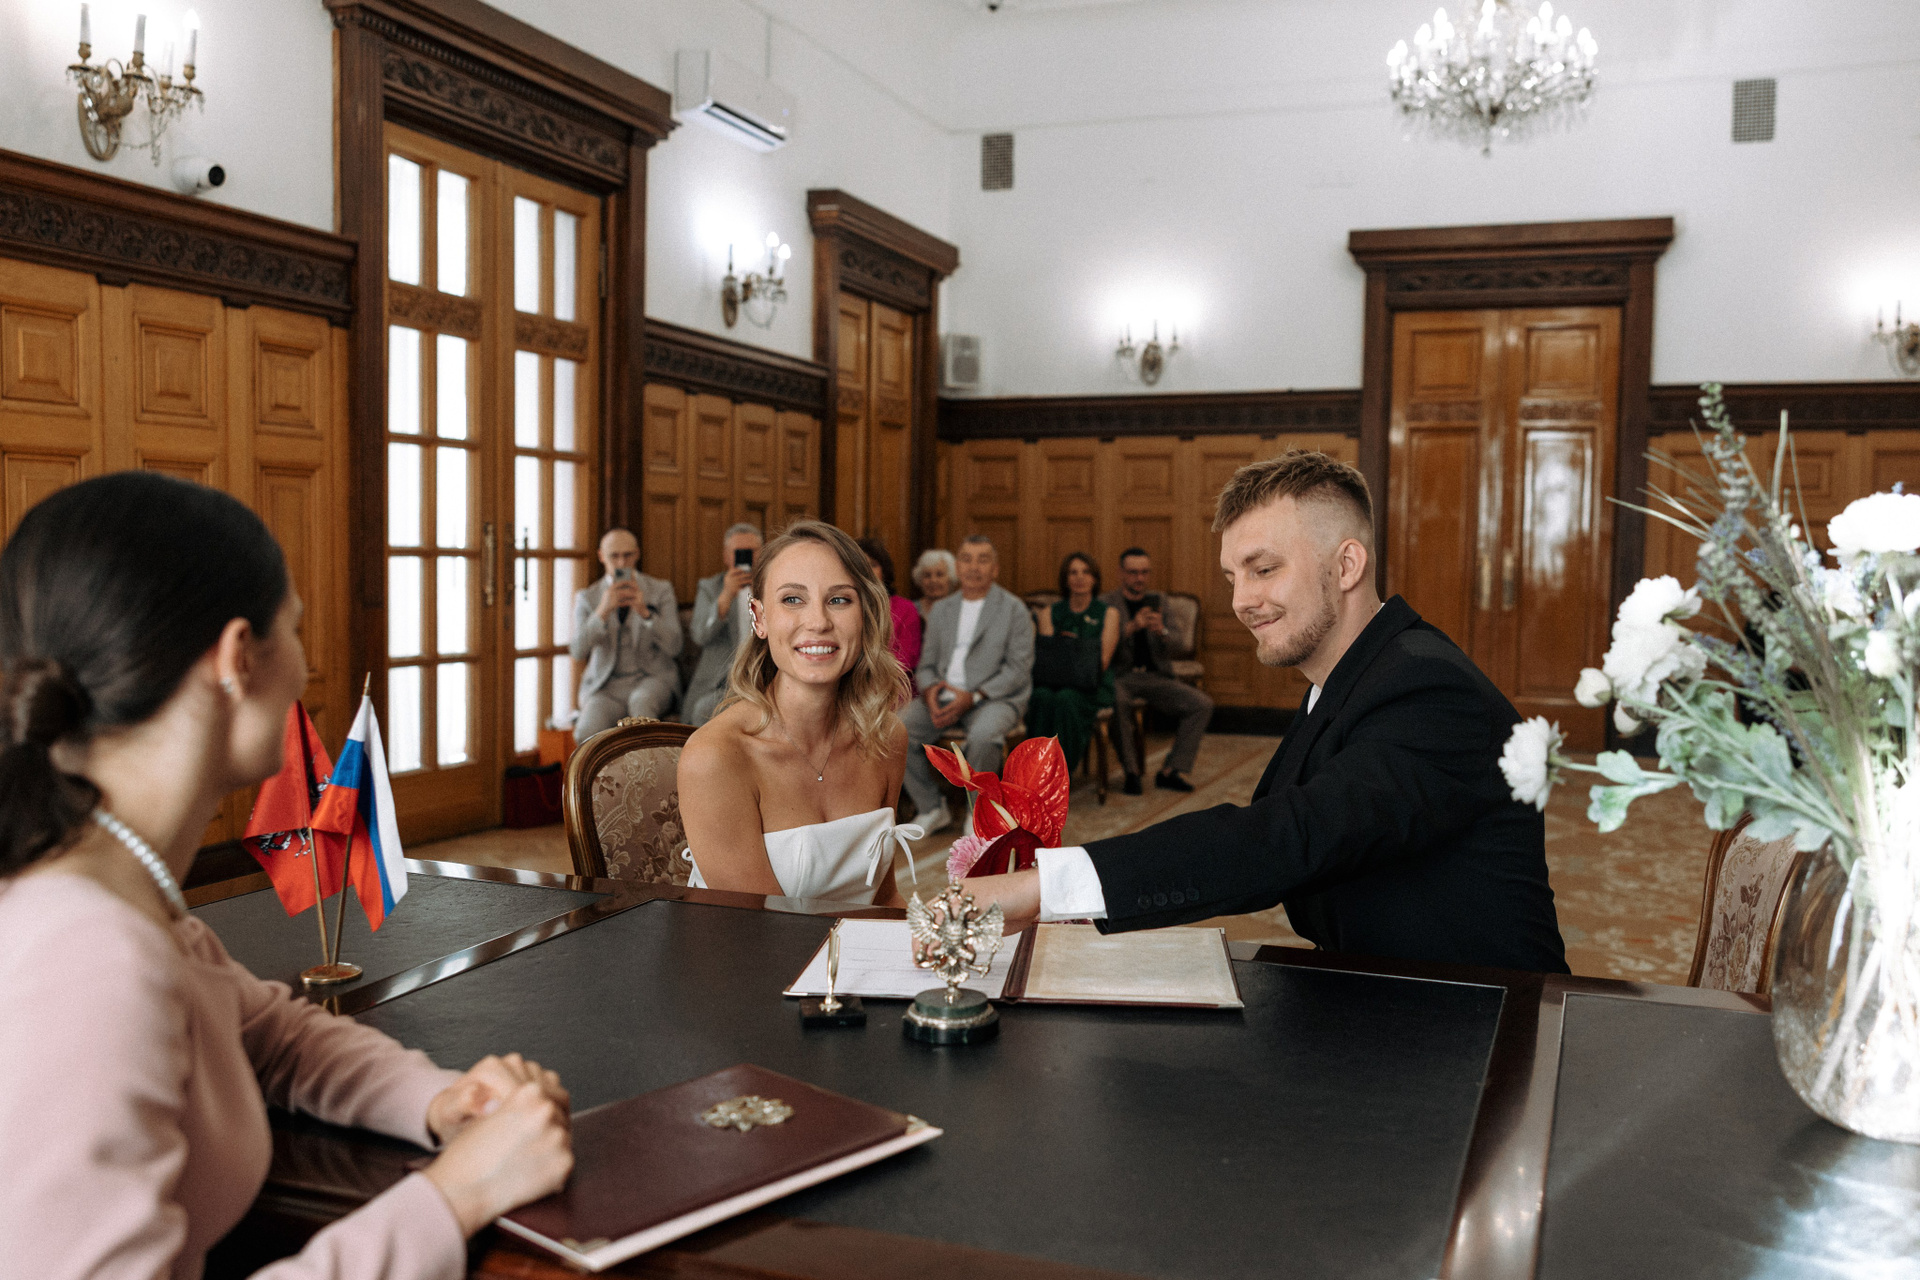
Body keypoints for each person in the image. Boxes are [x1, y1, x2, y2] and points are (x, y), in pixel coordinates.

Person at [0, 472, 574, 1277]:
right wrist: (452, 1199)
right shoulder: (89, 953)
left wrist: (439, 1100)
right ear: (239, 658)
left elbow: (268, 1037)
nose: (306, 665)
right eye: (295, 630)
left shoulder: (113, 885)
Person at [964, 452, 1569, 974]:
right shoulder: (1354, 675)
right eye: (1233, 577)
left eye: (1264, 569)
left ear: (1347, 565)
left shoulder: (1428, 686)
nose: (1241, 601)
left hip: (1487, 1020)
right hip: (1383, 993)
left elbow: (1287, 837)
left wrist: (1046, 887)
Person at [677, 521, 919, 905]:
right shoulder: (715, 756)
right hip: (753, 943)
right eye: (792, 599)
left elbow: (885, 898)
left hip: (856, 943)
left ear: (866, 614)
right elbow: (765, 930)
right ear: (759, 618)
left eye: (839, 600)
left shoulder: (885, 736)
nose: (818, 622)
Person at [902, 536, 1035, 836]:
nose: (974, 567)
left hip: (994, 697)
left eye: (982, 559)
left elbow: (1017, 670)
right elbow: (926, 665)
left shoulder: (1014, 609)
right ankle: (931, 807)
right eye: (966, 559)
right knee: (896, 730)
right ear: (957, 567)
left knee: (984, 737)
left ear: (995, 569)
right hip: (943, 695)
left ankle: (978, 814)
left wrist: (973, 697)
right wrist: (930, 691)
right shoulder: (942, 610)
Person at [1104, 547, 1215, 795]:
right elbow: (1101, 647)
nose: (1139, 578)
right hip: (1121, 676)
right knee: (1118, 702)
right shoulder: (1107, 603)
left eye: (1144, 572)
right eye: (1133, 572)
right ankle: (1132, 772)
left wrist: (1162, 631)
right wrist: (1132, 627)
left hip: (1156, 676)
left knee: (1201, 704)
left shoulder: (1159, 601)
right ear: (1121, 573)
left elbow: (1180, 643)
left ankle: (1171, 770)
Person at [571, 528, 682, 740]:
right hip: (607, 686)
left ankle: (649, 762)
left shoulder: (660, 590)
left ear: (637, 554)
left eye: (628, 555)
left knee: (641, 704)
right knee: (585, 732)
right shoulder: (588, 597)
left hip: (651, 679)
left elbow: (675, 646)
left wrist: (645, 613)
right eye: (614, 556)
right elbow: (577, 650)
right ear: (601, 556)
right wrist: (602, 612)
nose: (622, 563)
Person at [1028, 552, 1118, 777]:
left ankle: (1058, 775)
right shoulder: (1049, 612)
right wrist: (1080, 650)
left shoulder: (1109, 613)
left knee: (1066, 699)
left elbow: (1101, 662)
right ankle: (1034, 771)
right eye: (1073, 572)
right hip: (1054, 683)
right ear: (1065, 579)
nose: (1079, 577)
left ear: (1094, 578)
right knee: (1040, 696)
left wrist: (1067, 648)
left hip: (1092, 686)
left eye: (1086, 572)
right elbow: (1048, 661)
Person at [683, 523, 762, 727]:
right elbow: (700, 636)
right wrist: (726, 596)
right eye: (738, 553)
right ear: (726, 556)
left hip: (762, 672)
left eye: (751, 552)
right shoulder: (710, 587)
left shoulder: (772, 586)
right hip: (721, 679)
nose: (745, 558)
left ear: (762, 553)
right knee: (702, 709)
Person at [858, 536, 923, 690]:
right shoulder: (844, 606)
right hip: (851, 687)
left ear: (884, 571)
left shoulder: (905, 608)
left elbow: (905, 661)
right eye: (861, 565)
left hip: (893, 688)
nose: (867, 571)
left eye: (873, 565)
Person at [911, 548, 957, 622]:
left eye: (939, 575)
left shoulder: (960, 610)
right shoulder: (911, 609)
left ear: (950, 578)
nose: (933, 580)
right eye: (927, 575)